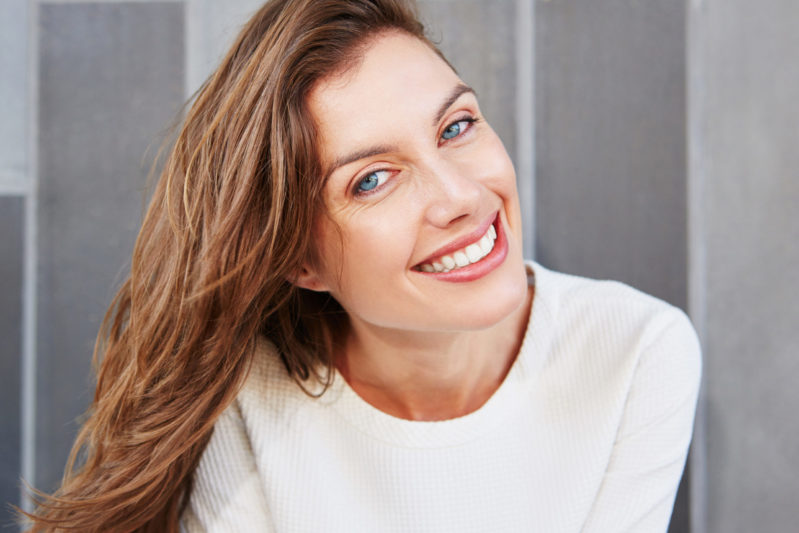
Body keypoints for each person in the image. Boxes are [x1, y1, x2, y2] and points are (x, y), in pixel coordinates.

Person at [24, 0, 701, 531]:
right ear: (300, 259)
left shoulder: (635, 351)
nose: (461, 198)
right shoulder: (246, 400)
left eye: (456, 127)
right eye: (372, 180)